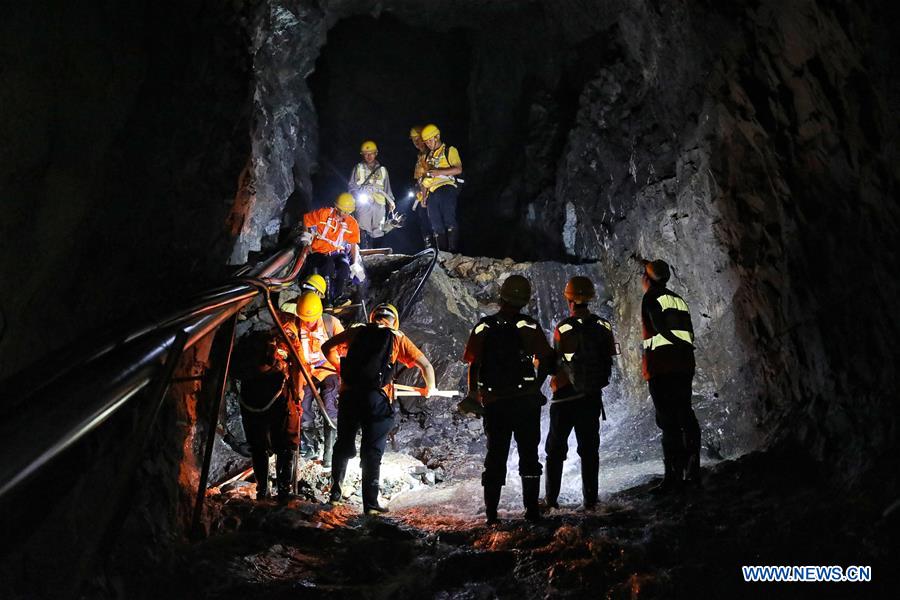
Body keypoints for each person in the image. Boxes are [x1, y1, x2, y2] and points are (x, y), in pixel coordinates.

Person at [323, 303, 436, 515]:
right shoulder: (396, 337)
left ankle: (335, 495)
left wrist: (341, 370)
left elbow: (326, 347)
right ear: (394, 320)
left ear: (373, 317)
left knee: (344, 443)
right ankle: (370, 505)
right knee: (372, 450)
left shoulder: (357, 331)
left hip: (349, 396)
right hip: (377, 398)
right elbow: (426, 365)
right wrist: (430, 387)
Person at [462, 275, 554, 524]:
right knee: (529, 455)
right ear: (524, 300)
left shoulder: (484, 326)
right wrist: (537, 385)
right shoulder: (530, 326)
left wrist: (473, 394)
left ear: (501, 296)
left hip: (496, 402)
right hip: (526, 401)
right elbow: (547, 359)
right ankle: (532, 512)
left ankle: (491, 516)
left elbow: (474, 363)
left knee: (496, 456)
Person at [543, 276, 617, 511]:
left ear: (570, 300)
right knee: (589, 450)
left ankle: (551, 501)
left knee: (555, 451)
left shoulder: (563, 328)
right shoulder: (604, 326)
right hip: (591, 397)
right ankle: (591, 501)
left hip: (565, 398)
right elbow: (610, 359)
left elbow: (555, 363)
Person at [640, 259, 701, 492]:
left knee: (668, 421)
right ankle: (692, 471)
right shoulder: (677, 299)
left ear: (647, 278)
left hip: (662, 366)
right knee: (685, 413)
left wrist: (672, 342)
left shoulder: (651, 298)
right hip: (683, 364)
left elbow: (659, 326)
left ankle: (672, 477)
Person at [232, 328, 301, 502]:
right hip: (275, 394)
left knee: (258, 446)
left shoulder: (248, 357)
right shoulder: (282, 349)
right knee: (284, 443)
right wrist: (297, 395)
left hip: (251, 395)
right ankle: (283, 492)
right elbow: (298, 367)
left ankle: (263, 490)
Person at [280, 292, 344, 468]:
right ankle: (309, 447)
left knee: (329, 402)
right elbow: (288, 347)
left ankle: (330, 453)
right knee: (303, 403)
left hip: (328, 368)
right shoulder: (295, 325)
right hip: (305, 371)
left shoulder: (331, 323)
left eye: (311, 319)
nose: (308, 323)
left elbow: (346, 347)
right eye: (305, 319)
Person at [300, 193, 365, 306]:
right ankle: (327, 299)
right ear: (336, 207)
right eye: (342, 211)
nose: (344, 214)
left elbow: (353, 245)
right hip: (318, 250)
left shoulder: (352, 224)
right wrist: (307, 238)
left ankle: (338, 297)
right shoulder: (324, 214)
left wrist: (355, 263)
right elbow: (306, 219)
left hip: (337, 252)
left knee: (344, 266)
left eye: (347, 212)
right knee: (328, 265)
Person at [419, 124, 462, 252]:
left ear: (437, 137)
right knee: (435, 223)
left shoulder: (449, 150)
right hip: (432, 190)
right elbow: (425, 179)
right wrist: (424, 196)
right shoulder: (427, 157)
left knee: (449, 218)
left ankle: (453, 251)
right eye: (426, 142)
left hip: (446, 186)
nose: (428, 144)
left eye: (430, 140)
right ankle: (442, 253)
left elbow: (458, 169)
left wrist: (439, 172)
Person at [349, 140, 396, 247]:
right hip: (363, 203)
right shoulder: (358, 168)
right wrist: (354, 199)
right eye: (366, 154)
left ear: (376, 153)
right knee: (362, 227)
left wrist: (391, 201)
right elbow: (351, 186)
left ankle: (377, 253)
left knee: (378, 229)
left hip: (379, 203)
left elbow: (387, 187)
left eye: (371, 153)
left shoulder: (383, 170)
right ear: (362, 155)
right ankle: (361, 253)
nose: (369, 156)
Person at [409, 126, 434, 248]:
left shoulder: (431, 154)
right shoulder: (420, 156)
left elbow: (431, 175)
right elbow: (418, 177)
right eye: (414, 140)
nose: (416, 142)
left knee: (433, 223)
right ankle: (429, 250)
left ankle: (440, 251)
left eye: (418, 139)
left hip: (431, 194)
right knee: (424, 224)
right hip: (421, 196)